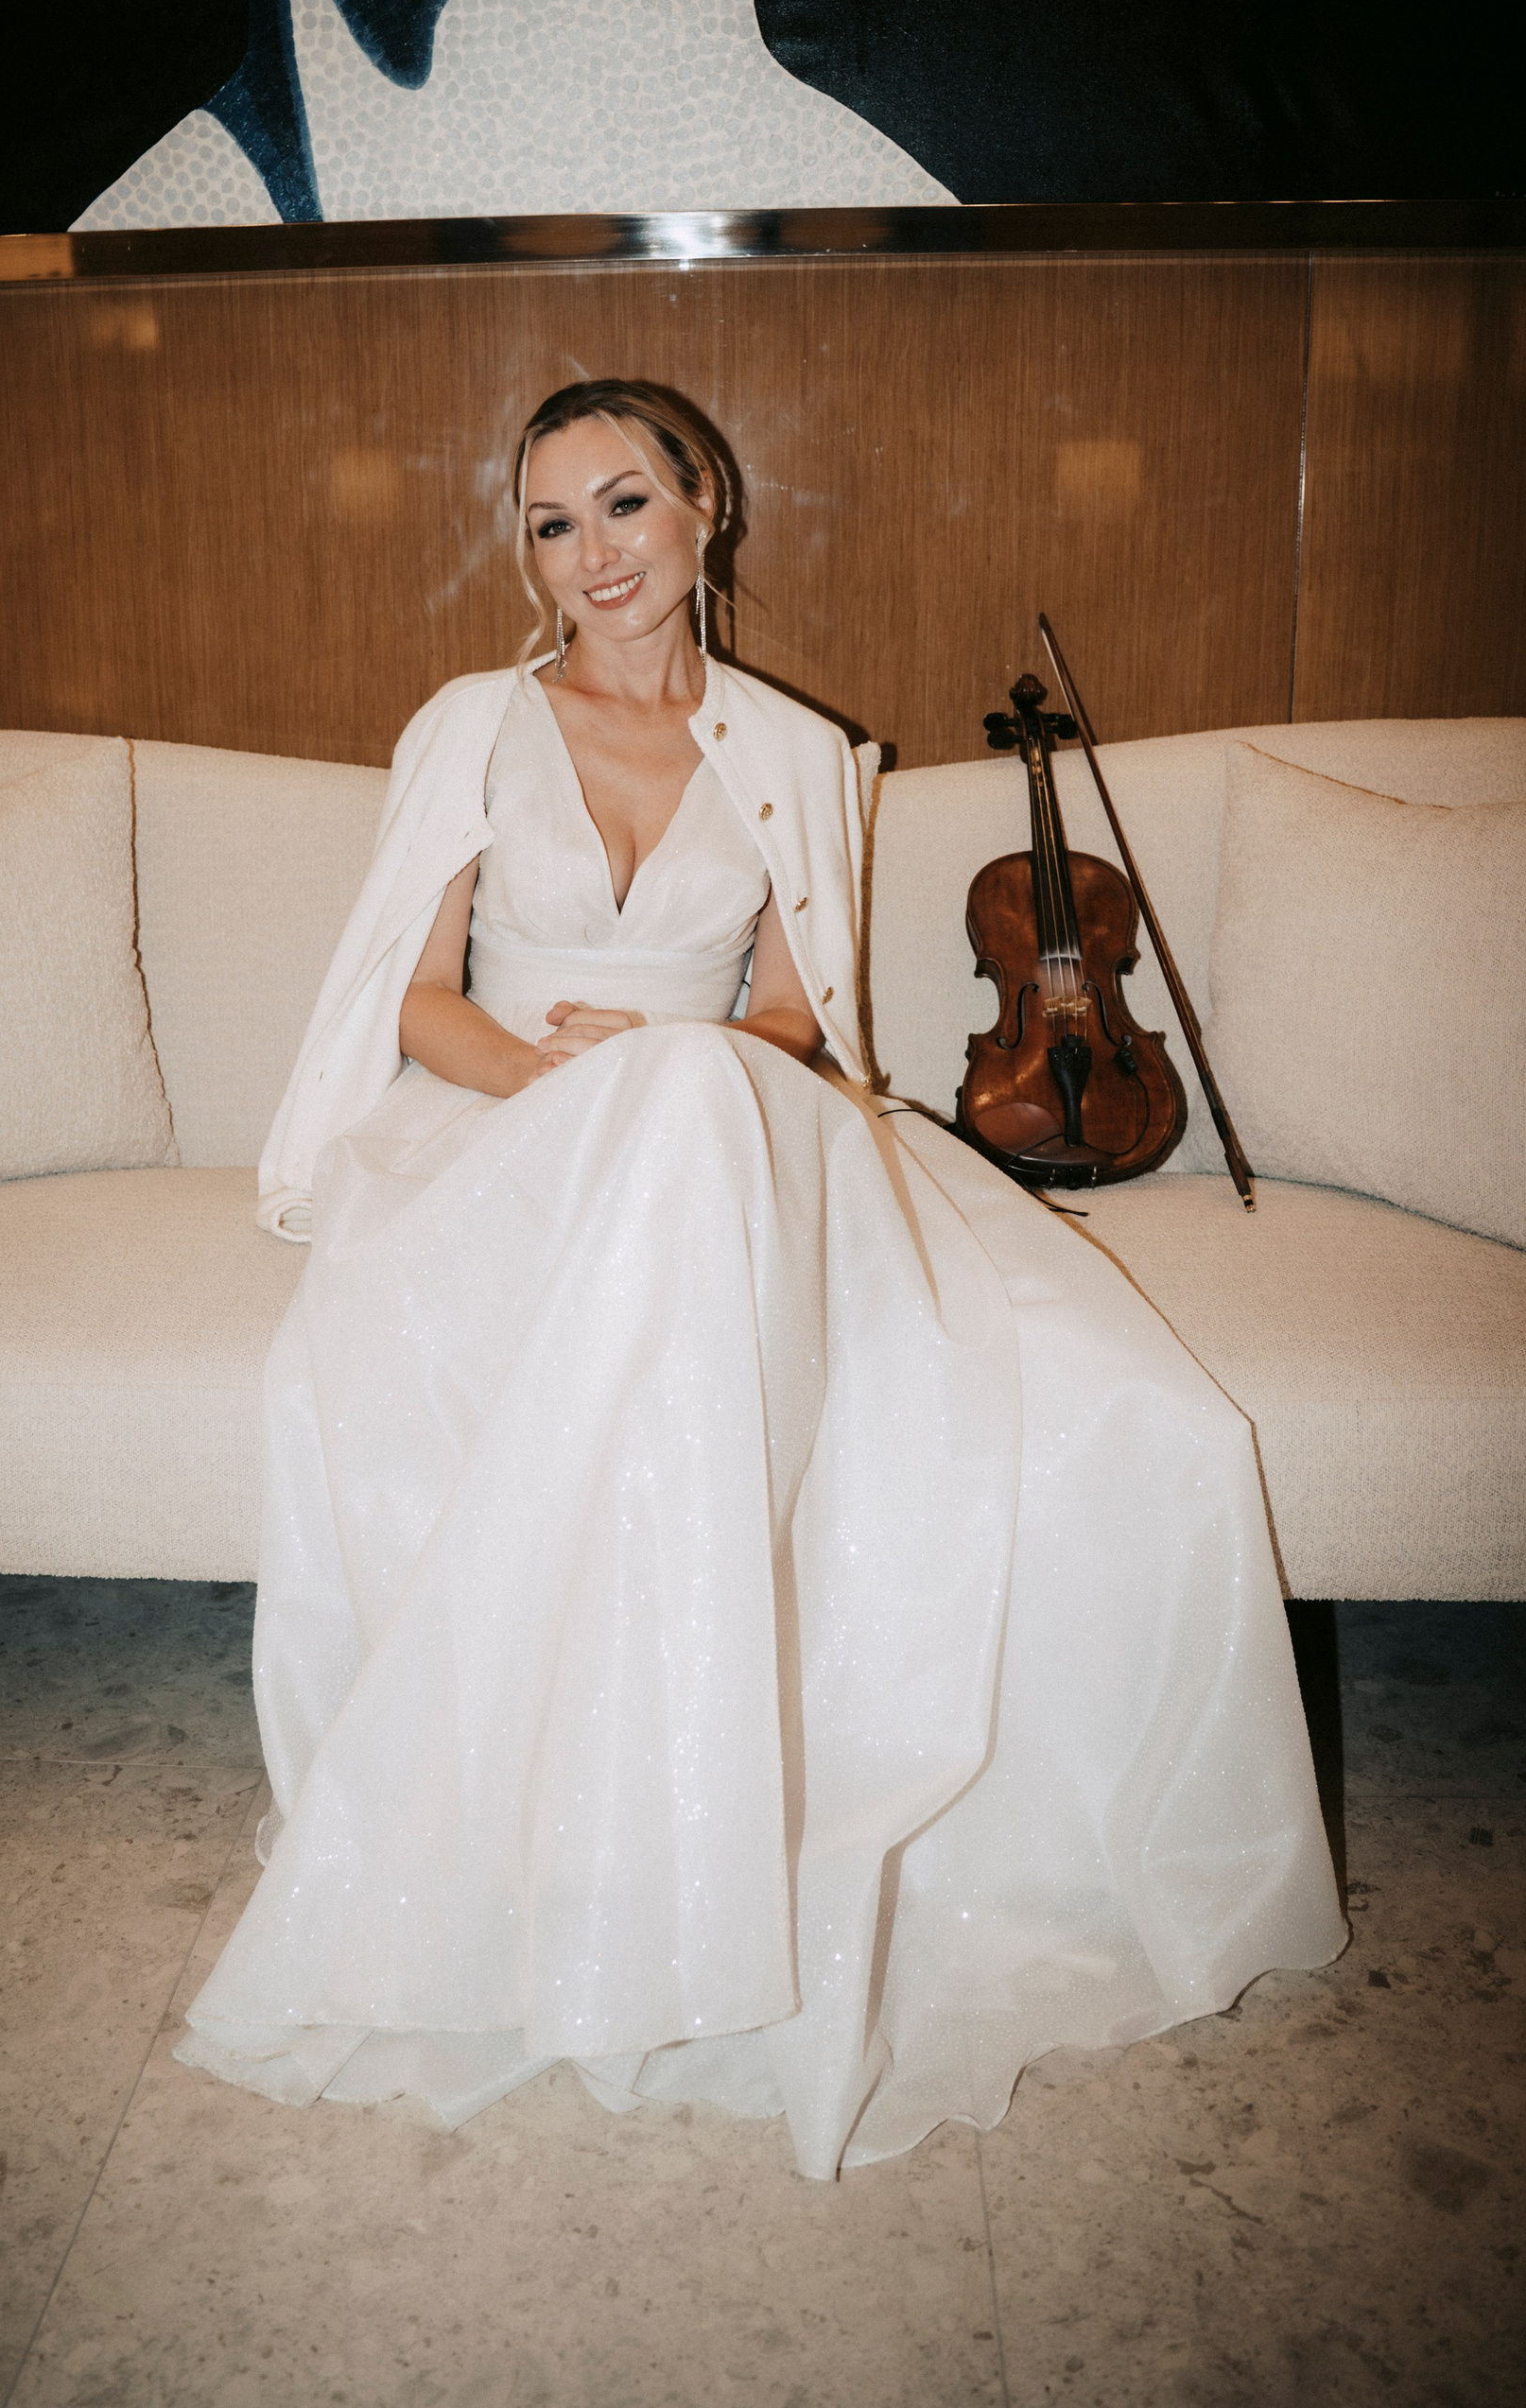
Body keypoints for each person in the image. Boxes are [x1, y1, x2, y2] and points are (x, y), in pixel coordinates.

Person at [176, 379, 1344, 2179]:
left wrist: (680, 1069)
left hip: (720, 1124)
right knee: (663, 1110)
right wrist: (565, 1083)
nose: (594, 555)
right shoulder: (475, 724)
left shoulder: (800, 753)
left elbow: (794, 1019)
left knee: (1126, 1408)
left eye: (625, 504)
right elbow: (415, 999)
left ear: (704, 506)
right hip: (497, 1130)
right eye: (552, 524)